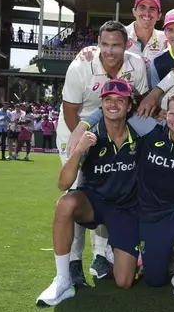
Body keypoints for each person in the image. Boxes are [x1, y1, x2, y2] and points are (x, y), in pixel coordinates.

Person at [71, 91, 174, 294]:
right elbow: (115, 110)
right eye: (172, 113)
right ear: (165, 114)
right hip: (151, 217)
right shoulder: (150, 130)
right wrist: (85, 124)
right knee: (155, 280)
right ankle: (145, 254)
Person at [56, 20, 149, 286]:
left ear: (126, 44)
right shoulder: (80, 66)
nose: (109, 51)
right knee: (76, 189)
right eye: (104, 44)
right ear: (97, 43)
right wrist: (87, 143)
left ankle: (101, 254)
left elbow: (137, 102)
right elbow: (71, 111)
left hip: (113, 128)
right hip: (78, 129)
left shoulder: (137, 64)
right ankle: (74, 262)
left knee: (111, 189)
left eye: (116, 45)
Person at [36, 79, 141, 306]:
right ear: (101, 104)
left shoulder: (139, 134)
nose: (113, 104)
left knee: (124, 282)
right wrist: (79, 151)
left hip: (124, 209)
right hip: (92, 203)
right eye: (107, 99)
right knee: (66, 203)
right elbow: (63, 184)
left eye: (120, 100)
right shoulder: (89, 135)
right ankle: (63, 279)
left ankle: (118, 251)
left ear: (129, 106)